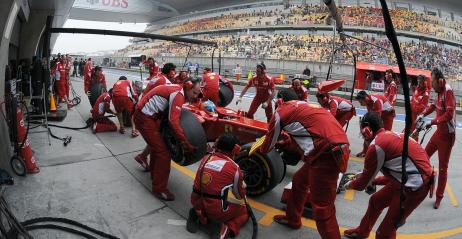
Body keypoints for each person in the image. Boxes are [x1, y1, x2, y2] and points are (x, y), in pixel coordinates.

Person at [259, 89, 350, 239]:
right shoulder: (307, 106)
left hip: (325, 155)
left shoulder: (281, 111)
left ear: (280, 101)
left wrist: (260, 147)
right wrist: (288, 141)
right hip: (333, 148)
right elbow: (308, 133)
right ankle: (293, 218)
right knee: (299, 181)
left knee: (322, 208)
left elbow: (266, 147)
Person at [343, 112, 433, 239]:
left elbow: (361, 185)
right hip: (410, 180)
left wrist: (350, 184)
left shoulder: (376, 147)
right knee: (375, 201)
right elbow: (399, 174)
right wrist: (372, 180)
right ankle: (362, 232)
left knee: (385, 232)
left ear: (366, 129)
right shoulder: (393, 135)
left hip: (415, 188)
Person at [133, 78, 201, 200]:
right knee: (164, 153)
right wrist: (186, 143)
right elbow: (173, 122)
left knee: (158, 147)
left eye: (198, 93)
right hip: (144, 118)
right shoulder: (178, 94)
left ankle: (155, 176)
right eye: (194, 93)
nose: (196, 96)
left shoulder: (178, 89)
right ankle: (159, 189)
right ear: (188, 87)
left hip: (148, 116)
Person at [187, 133, 249, 239]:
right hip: (215, 210)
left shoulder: (206, 157)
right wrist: (242, 184)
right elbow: (239, 196)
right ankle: (226, 228)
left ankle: (197, 214)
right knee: (244, 211)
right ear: (235, 149)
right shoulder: (234, 168)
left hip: (196, 201)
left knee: (209, 194)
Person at [418, 68, 456, 209]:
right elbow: (434, 105)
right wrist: (423, 114)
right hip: (439, 133)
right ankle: (427, 179)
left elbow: (449, 114)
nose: (430, 83)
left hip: (447, 136)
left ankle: (439, 197)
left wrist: (432, 122)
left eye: (432, 80)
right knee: (423, 155)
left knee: (443, 168)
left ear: (439, 81)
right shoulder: (438, 91)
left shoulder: (448, 91)